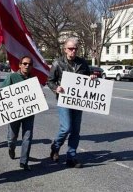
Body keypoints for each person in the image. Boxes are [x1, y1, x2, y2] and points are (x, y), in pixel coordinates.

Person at [47, 37, 96, 168]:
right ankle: (55, 146)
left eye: (75, 49)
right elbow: (50, 81)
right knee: (66, 128)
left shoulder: (82, 63)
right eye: (70, 48)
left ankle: (71, 157)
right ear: (65, 49)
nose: (73, 51)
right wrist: (55, 88)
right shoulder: (57, 63)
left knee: (75, 130)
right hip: (64, 100)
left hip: (78, 101)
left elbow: (88, 77)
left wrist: (92, 77)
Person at [2, 56, 34, 171]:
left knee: (28, 136)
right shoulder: (12, 76)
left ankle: (24, 161)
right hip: (14, 113)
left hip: (29, 113)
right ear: (20, 65)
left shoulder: (33, 79)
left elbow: (35, 94)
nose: (27, 66)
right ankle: (11, 148)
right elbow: (2, 93)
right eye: (25, 63)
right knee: (12, 137)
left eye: (29, 64)